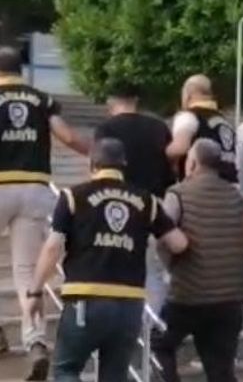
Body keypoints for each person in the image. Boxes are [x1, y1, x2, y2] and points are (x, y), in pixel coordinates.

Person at [0, 46, 90, 381]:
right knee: (27, 270)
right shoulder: (42, 100)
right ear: (21, 72)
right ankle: (35, 341)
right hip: (36, 189)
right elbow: (67, 136)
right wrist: (97, 156)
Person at [23, 138, 189, 382]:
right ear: (124, 165)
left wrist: (35, 292)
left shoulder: (73, 196)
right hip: (129, 303)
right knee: (115, 375)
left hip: (85, 299)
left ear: (92, 164)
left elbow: (52, 248)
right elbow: (179, 243)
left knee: (66, 369)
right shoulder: (147, 201)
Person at [153, 140, 243, 382]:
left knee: (158, 345)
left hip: (188, 295)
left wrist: (171, 268)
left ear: (193, 163)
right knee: (221, 369)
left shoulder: (178, 194)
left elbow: (164, 238)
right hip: (231, 297)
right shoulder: (236, 195)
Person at [94, 81, 174, 310]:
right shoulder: (159, 127)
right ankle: (153, 320)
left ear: (111, 101)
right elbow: (170, 169)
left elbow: (97, 170)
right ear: (136, 100)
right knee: (151, 269)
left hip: (117, 202)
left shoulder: (106, 129)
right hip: (154, 203)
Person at [167, 74, 237, 184]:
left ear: (188, 95)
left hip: (201, 185)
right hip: (229, 186)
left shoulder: (188, 116)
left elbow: (180, 148)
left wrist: (162, 153)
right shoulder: (224, 122)